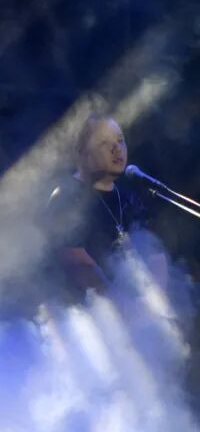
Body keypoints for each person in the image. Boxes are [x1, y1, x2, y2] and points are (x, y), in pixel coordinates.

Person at [45, 113, 166, 298]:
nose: (117, 148)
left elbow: (154, 253)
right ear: (83, 153)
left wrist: (157, 300)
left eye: (120, 140)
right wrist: (127, 306)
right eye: (104, 143)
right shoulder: (66, 197)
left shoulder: (129, 197)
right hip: (88, 309)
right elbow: (79, 266)